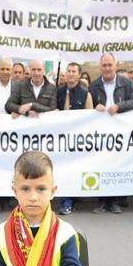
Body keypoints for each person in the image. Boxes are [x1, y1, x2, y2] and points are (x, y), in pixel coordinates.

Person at [88, 52, 133, 214]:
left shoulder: (127, 83)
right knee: (102, 164)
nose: (107, 68)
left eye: (110, 65)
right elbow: (89, 106)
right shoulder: (94, 85)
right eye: (104, 65)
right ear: (100, 67)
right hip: (101, 133)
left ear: (115, 66)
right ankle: (103, 201)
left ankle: (115, 201)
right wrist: (95, 107)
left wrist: (119, 106)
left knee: (117, 164)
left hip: (120, 133)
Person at [55, 62, 94, 216]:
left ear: (79, 74)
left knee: (72, 169)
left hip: (76, 140)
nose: (71, 74)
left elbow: (89, 117)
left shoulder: (86, 94)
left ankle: (68, 202)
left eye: (74, 71)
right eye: (68, 71)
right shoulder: (58, 92)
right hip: (59, 139)